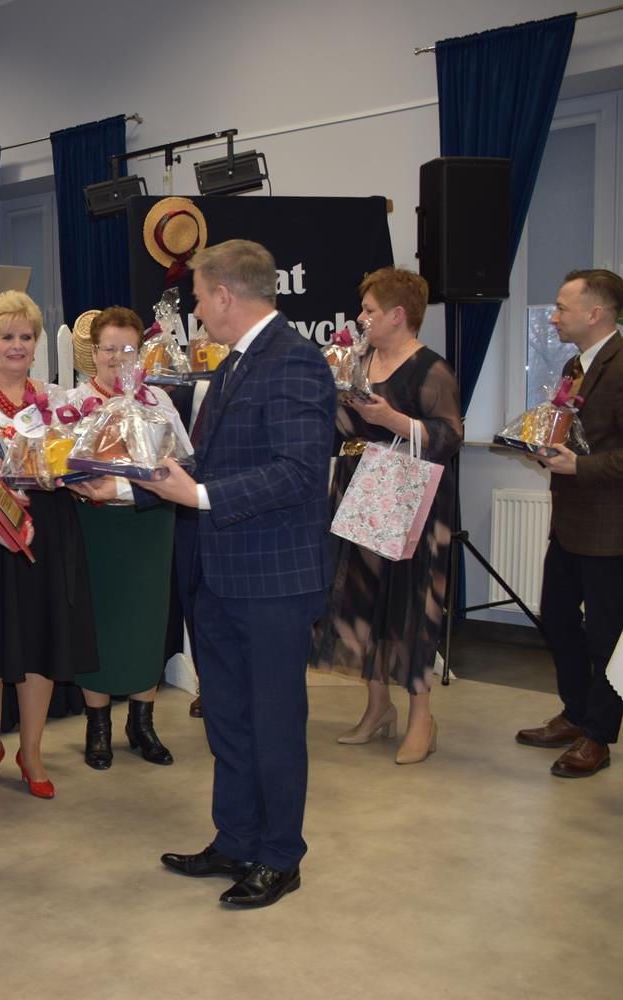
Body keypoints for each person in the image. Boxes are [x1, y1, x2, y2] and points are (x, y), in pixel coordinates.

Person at [139, 240, 335, 909]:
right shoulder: (234, 364)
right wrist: (129, 483)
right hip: (220, 574)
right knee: (226, 717)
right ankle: (236, 838)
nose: (196, 311)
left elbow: (299, 472)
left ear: (225, 294)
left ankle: (280, 856)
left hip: (274, 581)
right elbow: (208, 462)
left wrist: (197, 496)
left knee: (273, 720)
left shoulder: (295, 360)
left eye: (198, 298)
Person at [0, 290, 100, 799]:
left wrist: (68, 472)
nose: (17, 345)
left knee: (40, 639)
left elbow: (75, 463)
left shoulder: (58, 401)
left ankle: (31, 751)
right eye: (6, 336)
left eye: (26, 336)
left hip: (45, 525)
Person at [310, 268, 460, 765]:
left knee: (411, 604)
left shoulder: (431, 369)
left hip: (410, 499)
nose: (361, 317)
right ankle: (378, 708)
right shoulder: (357, 361)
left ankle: (422, 718)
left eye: (370, 310)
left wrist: (392, 419)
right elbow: (340, 427)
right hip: (359, 490)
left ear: (398, 315)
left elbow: (449, 437)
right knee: (362, 598)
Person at [517, 268, 623, 777]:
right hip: (570, 522)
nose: (554, 316)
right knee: (556, 618)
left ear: (595, 313)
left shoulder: (621, 365)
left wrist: (578, 467)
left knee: (606, 635)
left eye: (562, 307)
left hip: (610, 529)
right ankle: (576, 713)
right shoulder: (574, 365)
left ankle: (598, 736)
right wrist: (544, 447)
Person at [68, 307, 180, 768]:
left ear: (142, 353)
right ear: (94, 352)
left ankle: (142, 723)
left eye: (128, 349)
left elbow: (181, 463)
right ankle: (98, 727)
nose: (117, 358)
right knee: (99, 621)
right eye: (109, 348)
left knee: (146, 620)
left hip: (149, 525)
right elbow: (60, 465)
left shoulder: (158, 401)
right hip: (96, 527)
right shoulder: (74, 404)